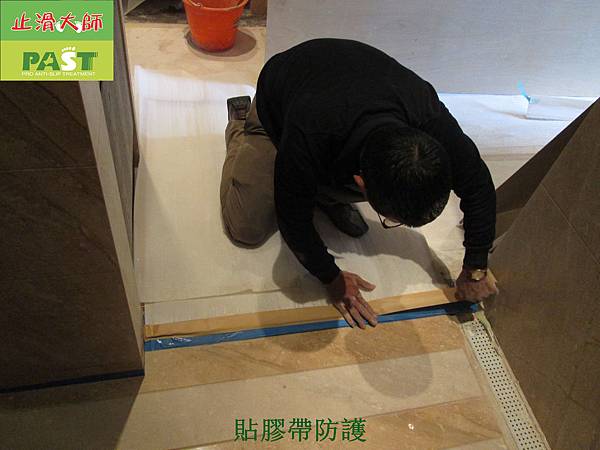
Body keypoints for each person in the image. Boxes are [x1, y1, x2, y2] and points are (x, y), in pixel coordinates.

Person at [220, 38, 498, 330]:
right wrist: (331, 277)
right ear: (360, 184)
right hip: (278, 109)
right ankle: (242, 125)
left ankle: (326, 196)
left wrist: (476, 266)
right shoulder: (309, 132)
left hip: (340, 92)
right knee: (246, 227)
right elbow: (293, 218)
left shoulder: (427, 116)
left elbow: (478, 184)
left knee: (322, 183)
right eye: (389, 219)